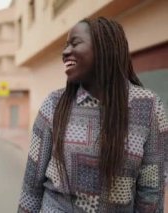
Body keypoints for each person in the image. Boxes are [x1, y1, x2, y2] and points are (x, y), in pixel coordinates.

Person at [18, 17, 167, 212]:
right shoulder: (54, 104)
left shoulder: (148, 108)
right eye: (65, 46)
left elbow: (151, 194)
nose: (65, 52)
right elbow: (32, 185)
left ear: (104, 47)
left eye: (75, 43)